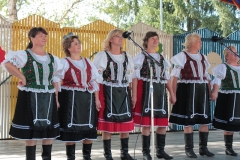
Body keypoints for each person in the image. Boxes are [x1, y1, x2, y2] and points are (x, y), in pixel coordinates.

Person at [1, 27, 63, 160]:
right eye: (40, 35)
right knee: (31, 132)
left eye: (45, 36)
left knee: (49, 132)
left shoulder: (52, 58)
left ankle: (47, 158)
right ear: (32, 38)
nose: (44, 38)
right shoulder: (25, 55)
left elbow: (55, 79)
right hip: (30, 95)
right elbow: (7, 64)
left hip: (49, 97)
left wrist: (56, 98)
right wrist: (22, 77)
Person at [169, 32, 214, 158]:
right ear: (192, 42)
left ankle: (203, 148)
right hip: (187, 90)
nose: (200, 43)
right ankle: (189, 149)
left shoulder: (203, 57)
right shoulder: (182, 56)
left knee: (204, 120)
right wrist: (173, 94)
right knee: (188, 120)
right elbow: (174, 76)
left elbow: (207, 77)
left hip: (201, 90)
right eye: (199, 41)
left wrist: (210, 91)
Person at [132, 31, 175, 160]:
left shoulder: (162, 58)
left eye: (157, 39)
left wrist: (172, 93)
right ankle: (146, 152)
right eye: (152, 38)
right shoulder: (141, 57)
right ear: (146, 41)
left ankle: (160, 151)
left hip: (160, 92)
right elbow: (134, 77)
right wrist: (134, 95)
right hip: (146, 90)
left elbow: (166, 78)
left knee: (162, 123)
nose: (155, 41)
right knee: (147, 123)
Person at [93, 29, 135, 160]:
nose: (120, 38)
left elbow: (131, 77)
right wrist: (97, 98)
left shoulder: (127, 56)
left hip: (123, 91)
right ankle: (108, 154)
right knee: (107, 123)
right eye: (117, 36)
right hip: (107, 90)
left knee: (125, 122)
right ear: (110, 39)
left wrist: (133, 94)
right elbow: (96, 77)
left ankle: (125, 153)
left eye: (121, 36)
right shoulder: (103, 55)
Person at [58, 33, 99, 160]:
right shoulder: (63, 62)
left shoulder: (87, 62)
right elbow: (57, 80)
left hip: (87, 99)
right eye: (75, 43)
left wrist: (97, 99)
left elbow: (94, 81)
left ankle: (87, 156)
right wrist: (57, 98)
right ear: (69, 48)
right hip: (70, 98)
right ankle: (71, 157)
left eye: (79, 43)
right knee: (71, 129)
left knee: (88, 128)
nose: (79, 45)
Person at [211, 45, 239, 157]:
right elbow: (217, 80)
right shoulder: (223, 67)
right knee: (229, 124)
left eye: (236, 52)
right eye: (232, 53)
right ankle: (229, 148)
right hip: (229, 97)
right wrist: (215, 92)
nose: (235, 54)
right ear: (226, 56)